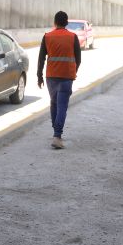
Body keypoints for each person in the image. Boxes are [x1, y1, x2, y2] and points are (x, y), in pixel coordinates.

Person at [37, 10, 81, 149]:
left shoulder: (47, 36)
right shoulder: (73, 37)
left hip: (51, 77)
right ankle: (57, 135)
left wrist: (39, 76)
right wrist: (74, 70)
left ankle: (55, 132)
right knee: (62, 106)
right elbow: (78, 59)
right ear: (67, 23)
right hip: (67, 76)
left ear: (55, 22)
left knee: (54, 103)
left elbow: (41, 59)